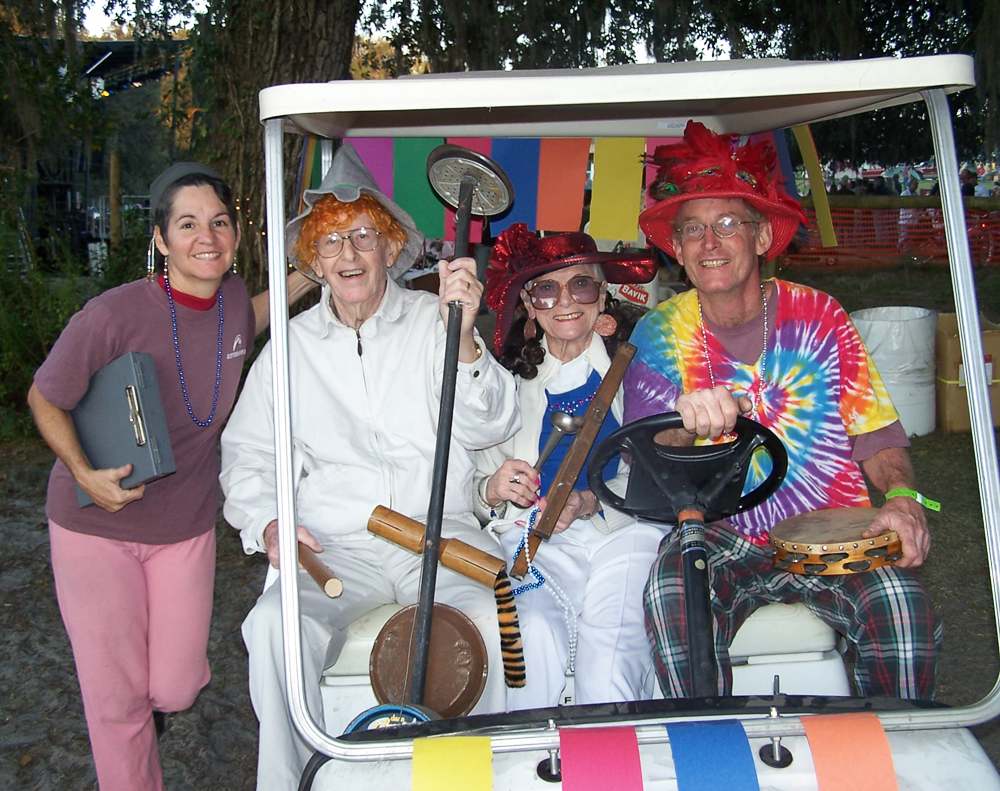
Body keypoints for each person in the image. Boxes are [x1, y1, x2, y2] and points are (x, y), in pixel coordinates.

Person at [219, 144, 519, 789]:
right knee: (272, 627)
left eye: (362, 236)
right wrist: (268, 522)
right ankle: (288, 782)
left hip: (438, 534)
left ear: (389, 247)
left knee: (492, 623)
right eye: (330, 241)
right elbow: (248, 455)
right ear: (314, 261)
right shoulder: (290, 348)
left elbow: (491, 423)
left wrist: (464, 334)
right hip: (340, 546)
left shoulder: (435, 319)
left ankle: (472, 779)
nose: (348, 254)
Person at [626, 121, 942, 700]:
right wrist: (684, 425)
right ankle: (709, 740)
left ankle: (897, 740)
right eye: (692, 228)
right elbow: (648, 457)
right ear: (677, 248)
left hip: (834, 529)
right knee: (673, 591)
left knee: (899, 605)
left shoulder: (821, 315)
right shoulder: (657, 335)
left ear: (763, 236)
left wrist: (902, 499)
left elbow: (877, 435)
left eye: (728, 223)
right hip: (720, 536)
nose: (709, 242)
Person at [27, 162, 316, 791]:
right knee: (118, 701)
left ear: (235, 234)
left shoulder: (232, 299)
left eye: (219, 222)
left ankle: (143, 711)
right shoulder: (113, 314)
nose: (206, 237)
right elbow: (45, 397)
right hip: (96, 526)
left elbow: (246, 322)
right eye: (187, 224)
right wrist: (84, 473)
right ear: (160, 238)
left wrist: (309, 271)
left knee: (178, 687)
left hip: (185, 525)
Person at [473, 223, 667, 710]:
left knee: (613, 647)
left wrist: (589, 500)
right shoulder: (501, 381)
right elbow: (469, 481)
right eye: (546, 289)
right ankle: (529, 749)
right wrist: (493, 487)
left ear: (602, 297)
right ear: (529, 305)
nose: (565, 301)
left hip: (625, 531)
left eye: (580, 285)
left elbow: (657, 468)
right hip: (533, 534)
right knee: (531, 631)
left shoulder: (638, 369)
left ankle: (612, 751)